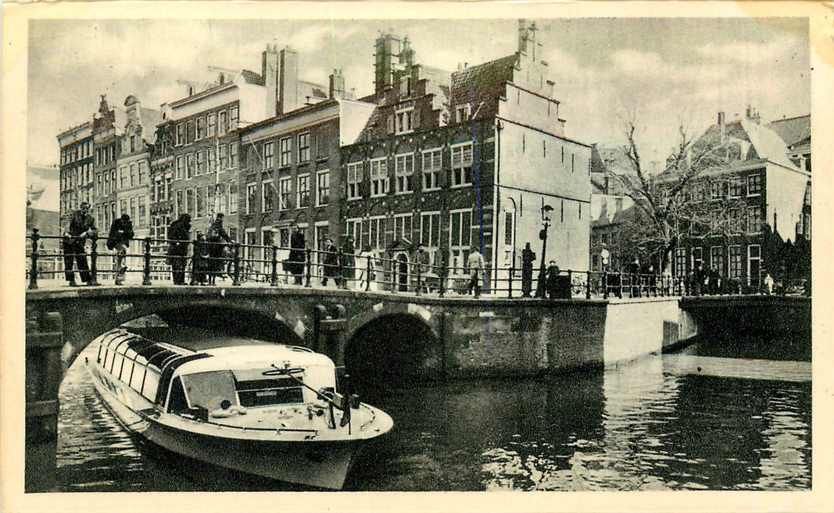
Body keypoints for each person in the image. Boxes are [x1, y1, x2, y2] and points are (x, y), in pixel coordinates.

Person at [62, 201, 97, 286]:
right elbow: (67, 225)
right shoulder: (74, 214)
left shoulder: (90, 219)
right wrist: (67, 233)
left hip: (80, 241)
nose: (85, 210)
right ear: (80, 208)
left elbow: (95, 230)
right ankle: (71, 280)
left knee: (82, 259)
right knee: (69, 261)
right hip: (70, 240)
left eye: (87, 209)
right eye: (83, 208)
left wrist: (87, 233)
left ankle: (87, 279)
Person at [106, 214, 134, 285]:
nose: (124, 223)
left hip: (123, 243)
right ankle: (119, 274)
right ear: (121, 220)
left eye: (125, 222)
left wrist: (123, 232)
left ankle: (118, 277)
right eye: (123, 222)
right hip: (115, 242)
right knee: (121, 253)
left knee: (120, 259)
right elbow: (113, 233)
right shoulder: (116, 222)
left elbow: (131, 234)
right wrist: (124, 233)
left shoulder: (129, 223)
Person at [206, 213, 232, 285]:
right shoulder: (218, 225)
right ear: (221, 218)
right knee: (217, 261)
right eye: (222, 218)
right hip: (215, 247)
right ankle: (215, 278)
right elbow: (223, 234)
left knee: (211, 263)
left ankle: (210, 281)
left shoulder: (213, 225)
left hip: (210, 247)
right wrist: (229, 241)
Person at [167, 214, 191, 285]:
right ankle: (179, 280)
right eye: (188, 220)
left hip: (180, 248)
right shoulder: (179, 226)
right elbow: (172, 236)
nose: (189, 222)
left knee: (179, 265)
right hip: (178, 249)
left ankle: (178, 280)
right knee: (179, 264)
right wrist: (177, 243)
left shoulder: (177, 225)